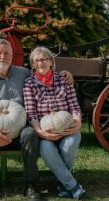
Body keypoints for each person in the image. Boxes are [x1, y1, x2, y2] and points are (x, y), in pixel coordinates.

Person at [0, 39, 73, 200]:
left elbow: (44, 76)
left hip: (23, 130)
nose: (3, 57)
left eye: (7, 53)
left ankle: (31, 183)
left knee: (30, 134)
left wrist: (64, 74)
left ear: (12, 56)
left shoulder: (23, 74)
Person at [23, 47, 85, 200]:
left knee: (71, 142)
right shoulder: (29, 84)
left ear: (51, 61)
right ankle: (71, 185)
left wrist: (77, 122)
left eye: (44, 59)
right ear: (32, 64)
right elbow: (31, 113)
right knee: (46, 148)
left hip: (67, 126)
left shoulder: (64, 80)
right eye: (36, 60)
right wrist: (40, 132)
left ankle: (64, 185)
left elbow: (74, 107)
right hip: (46, 132)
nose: (40, 63)